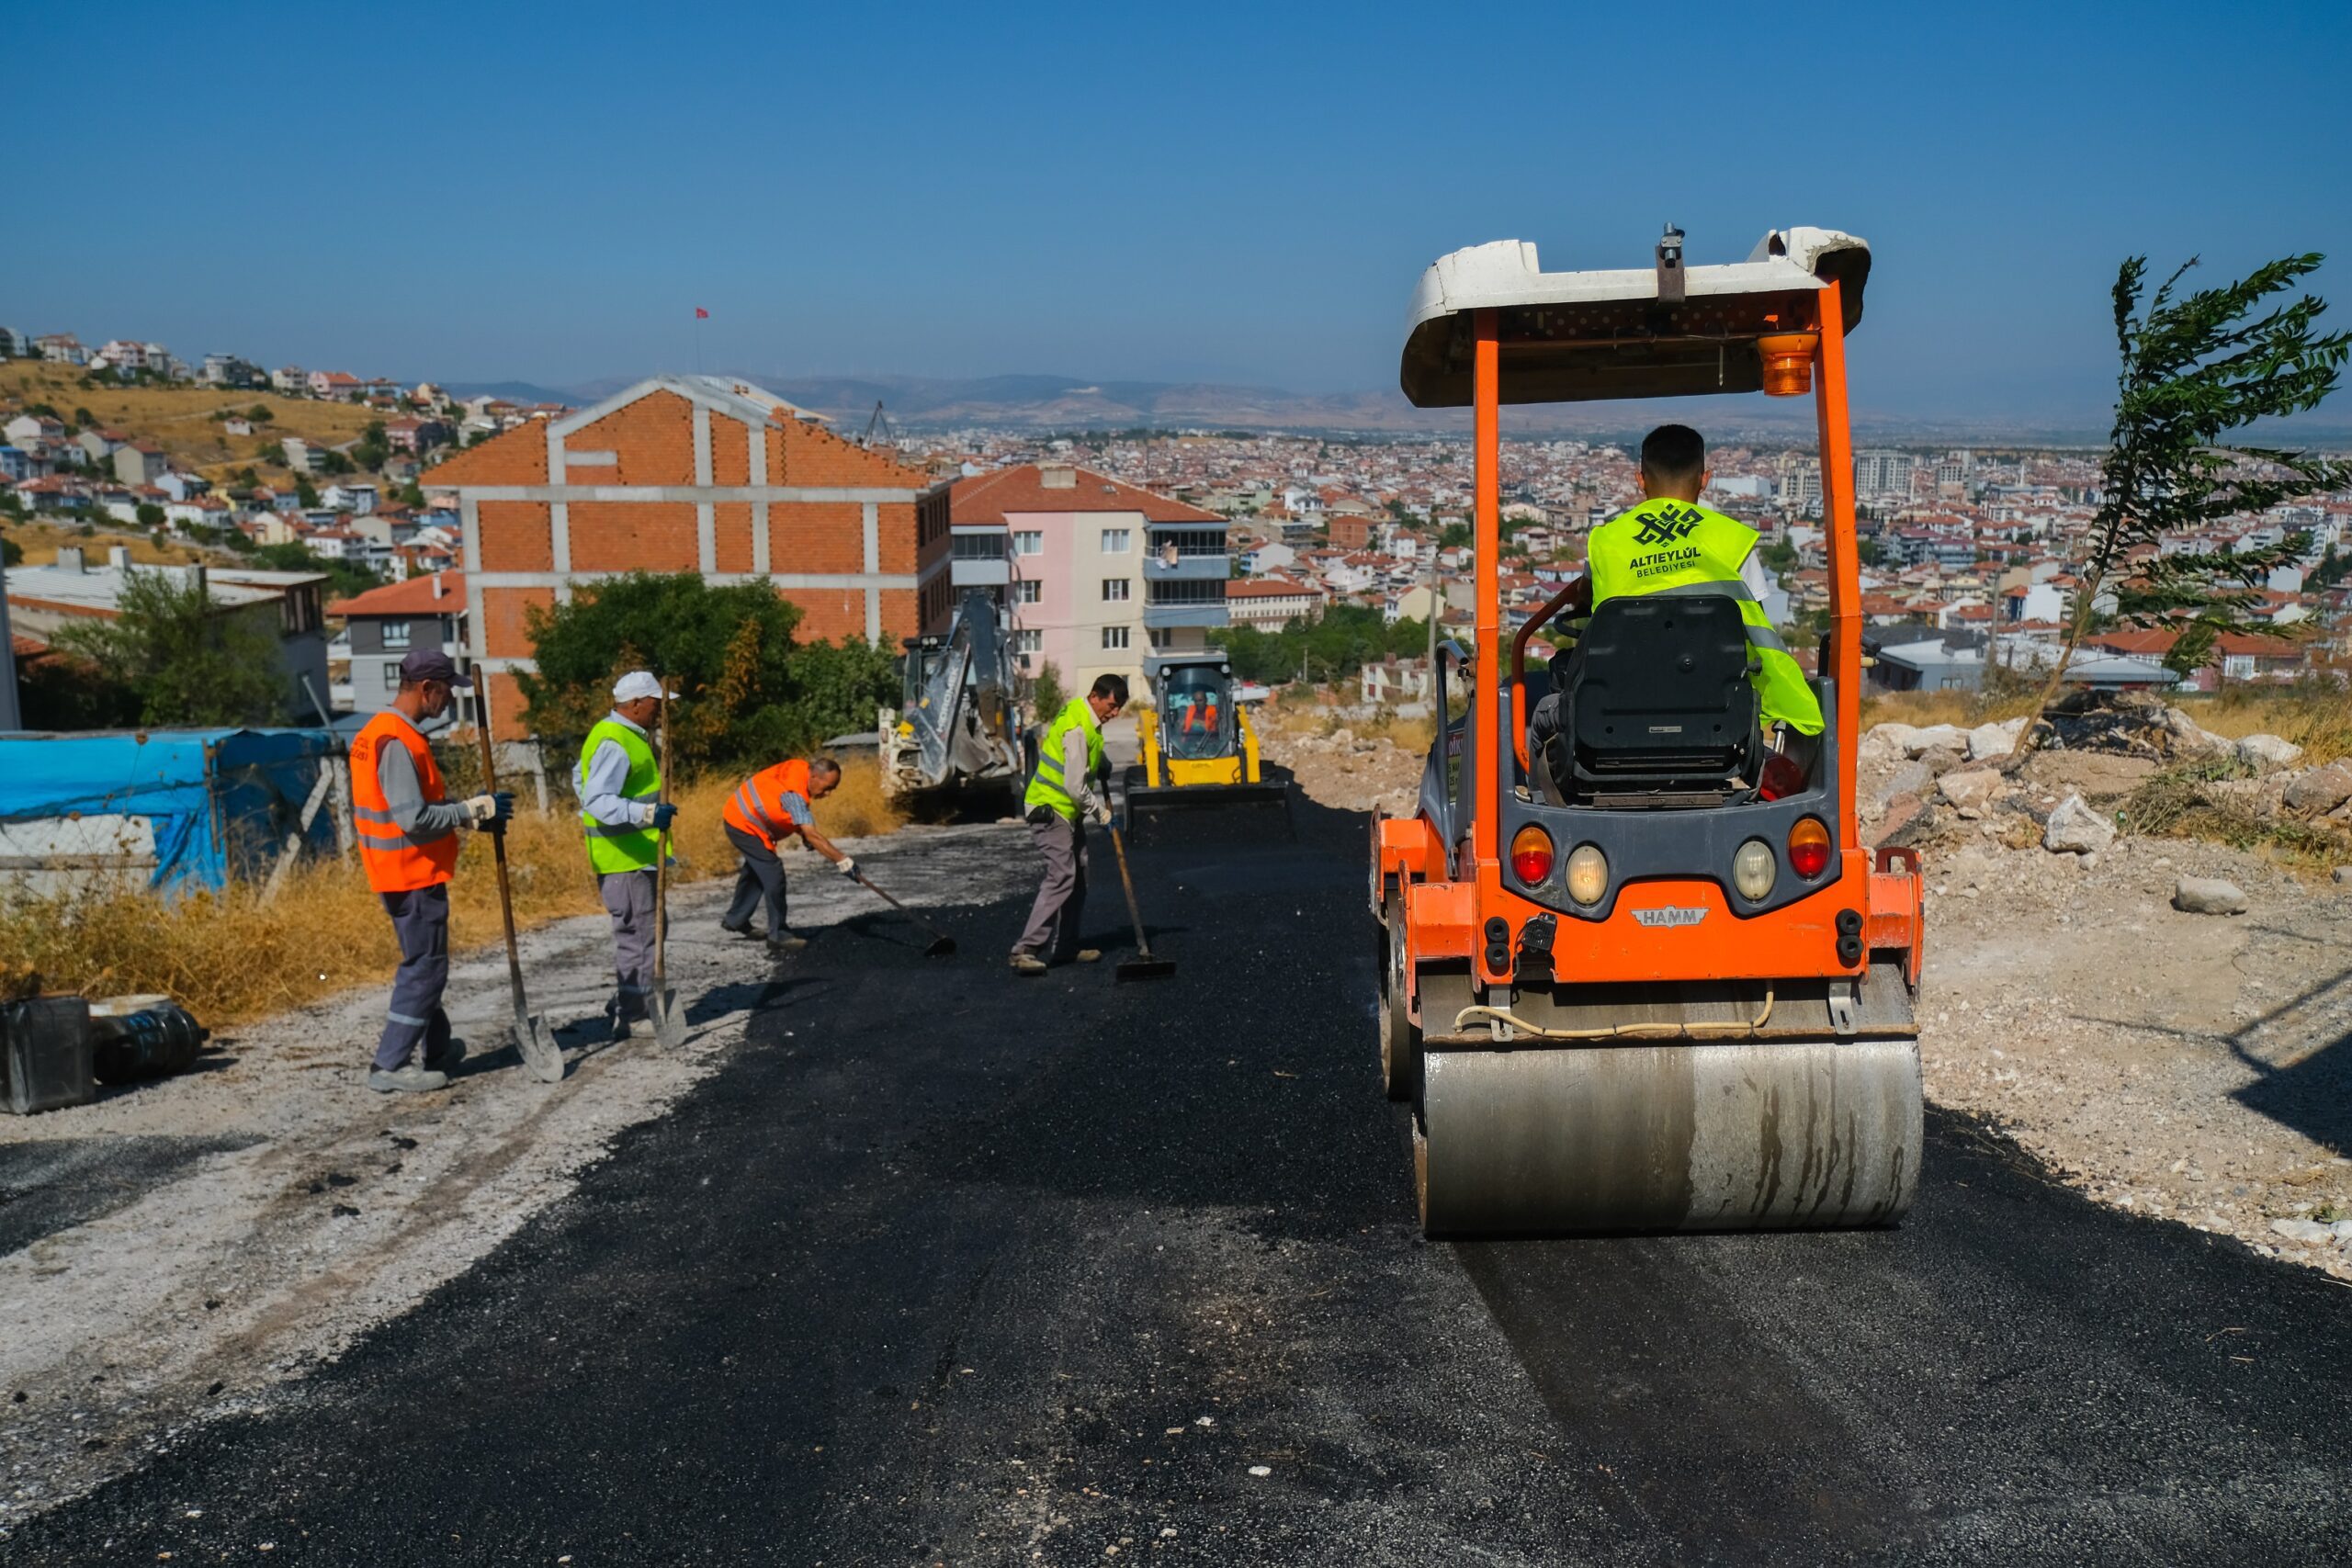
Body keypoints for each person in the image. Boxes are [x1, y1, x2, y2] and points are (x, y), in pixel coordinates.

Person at [1529, 423, 1823, 772]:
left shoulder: (1606, 543)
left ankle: (1544, 800)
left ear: (1640, 479)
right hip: (1717, 719)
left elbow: (1584, 603)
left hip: (1613, 719)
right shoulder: (1733, 544)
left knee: (1538, 714)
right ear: (1705, 479)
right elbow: (1754, 631)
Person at [350, 649, 512, 1093]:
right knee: (425, 968)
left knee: (428, 965)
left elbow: (409, 809)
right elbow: (412, 818)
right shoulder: (398, 741)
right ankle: (390, 1064)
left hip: (397, 869)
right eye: (445, 691)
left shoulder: (375, 733)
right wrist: (465, 811)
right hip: (411, 873)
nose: (447, 701)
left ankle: (437, 1049)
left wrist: (471, 813)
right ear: (427, 689)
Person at [577, 671, 677, 1040]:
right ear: (636, 704)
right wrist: (645, 815)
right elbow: (598, 799)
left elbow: (579, 779)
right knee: (640, 936)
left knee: (651, 930)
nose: (661, 711)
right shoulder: (616, 740)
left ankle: (628, 1001)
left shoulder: (621, 735)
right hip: (624, 860)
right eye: (657, 704)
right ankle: (633, 1014)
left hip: (633, 856)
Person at [1011, 673, 1127, 976]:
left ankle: (1065, 946)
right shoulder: (1077, 726)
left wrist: (1099, 760)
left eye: (1119, 709)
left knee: (1080, 875)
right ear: (1095, 697)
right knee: (1062, 874)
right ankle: (1025, 950)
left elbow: (1079, 760)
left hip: (1066, 810)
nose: (1114, 713)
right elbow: (1075, 787)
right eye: (1112, 706)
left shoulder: (1082, 715)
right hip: (1049, 809)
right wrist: (1101, 813)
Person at [718, 755, 854, 951]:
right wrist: (843, 861)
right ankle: (778, 934)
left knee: (758, 870)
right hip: (742, 824)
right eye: (827, 788)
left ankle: (735, 920)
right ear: (814, 777)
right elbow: (811, 833)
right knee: (772, 871)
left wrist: (802, 832)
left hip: (739, 813)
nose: (828, 794)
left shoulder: (798, 768)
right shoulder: (795, 797)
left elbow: (782, 805)